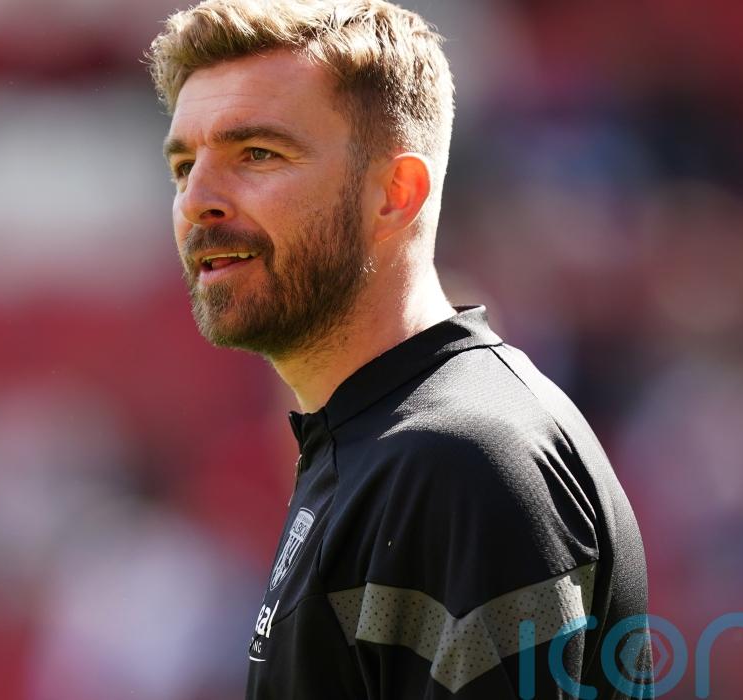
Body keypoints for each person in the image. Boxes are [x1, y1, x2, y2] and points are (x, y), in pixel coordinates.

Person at [147, 1, 653, 697]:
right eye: (183, 166)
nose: (196, 199)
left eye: (257, 154)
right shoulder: (378, 444)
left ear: (395, 194)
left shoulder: (456, 461)